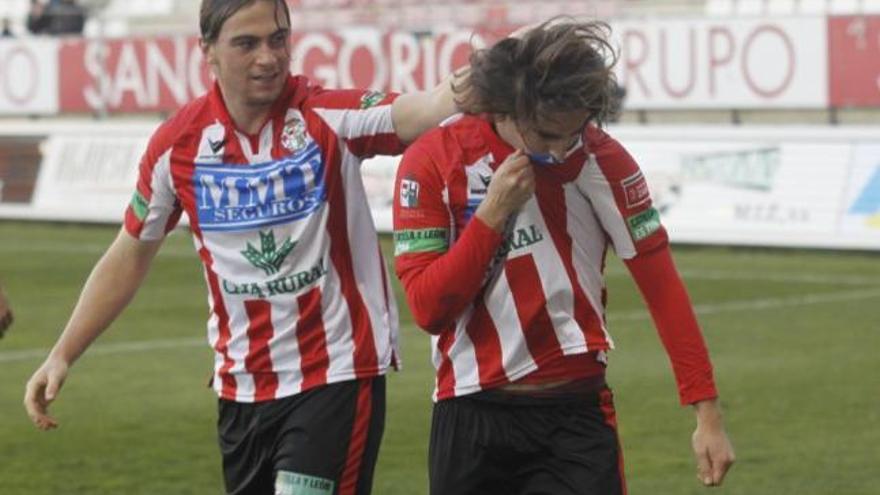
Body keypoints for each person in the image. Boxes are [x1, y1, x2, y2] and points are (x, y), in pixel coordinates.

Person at [24, 0, 467, 493]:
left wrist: (468, 83)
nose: (269, 57)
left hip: (335, 377)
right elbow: (130, 252)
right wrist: (63, 353)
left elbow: (420, 110)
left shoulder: (324, 116)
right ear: (207, 51)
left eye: (278, 39)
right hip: (241, 388)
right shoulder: (178, 146)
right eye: (247, 43)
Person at [392, 20, 735, 495]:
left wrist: (707, 411)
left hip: (574, 417)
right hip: (471, 415)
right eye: (546, 135)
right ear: (506, 107)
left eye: (574, 134)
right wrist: (491, 215)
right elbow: (429, 309)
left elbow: (662, 286)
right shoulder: (433, 159)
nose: (559, 150)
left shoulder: (603, 159)